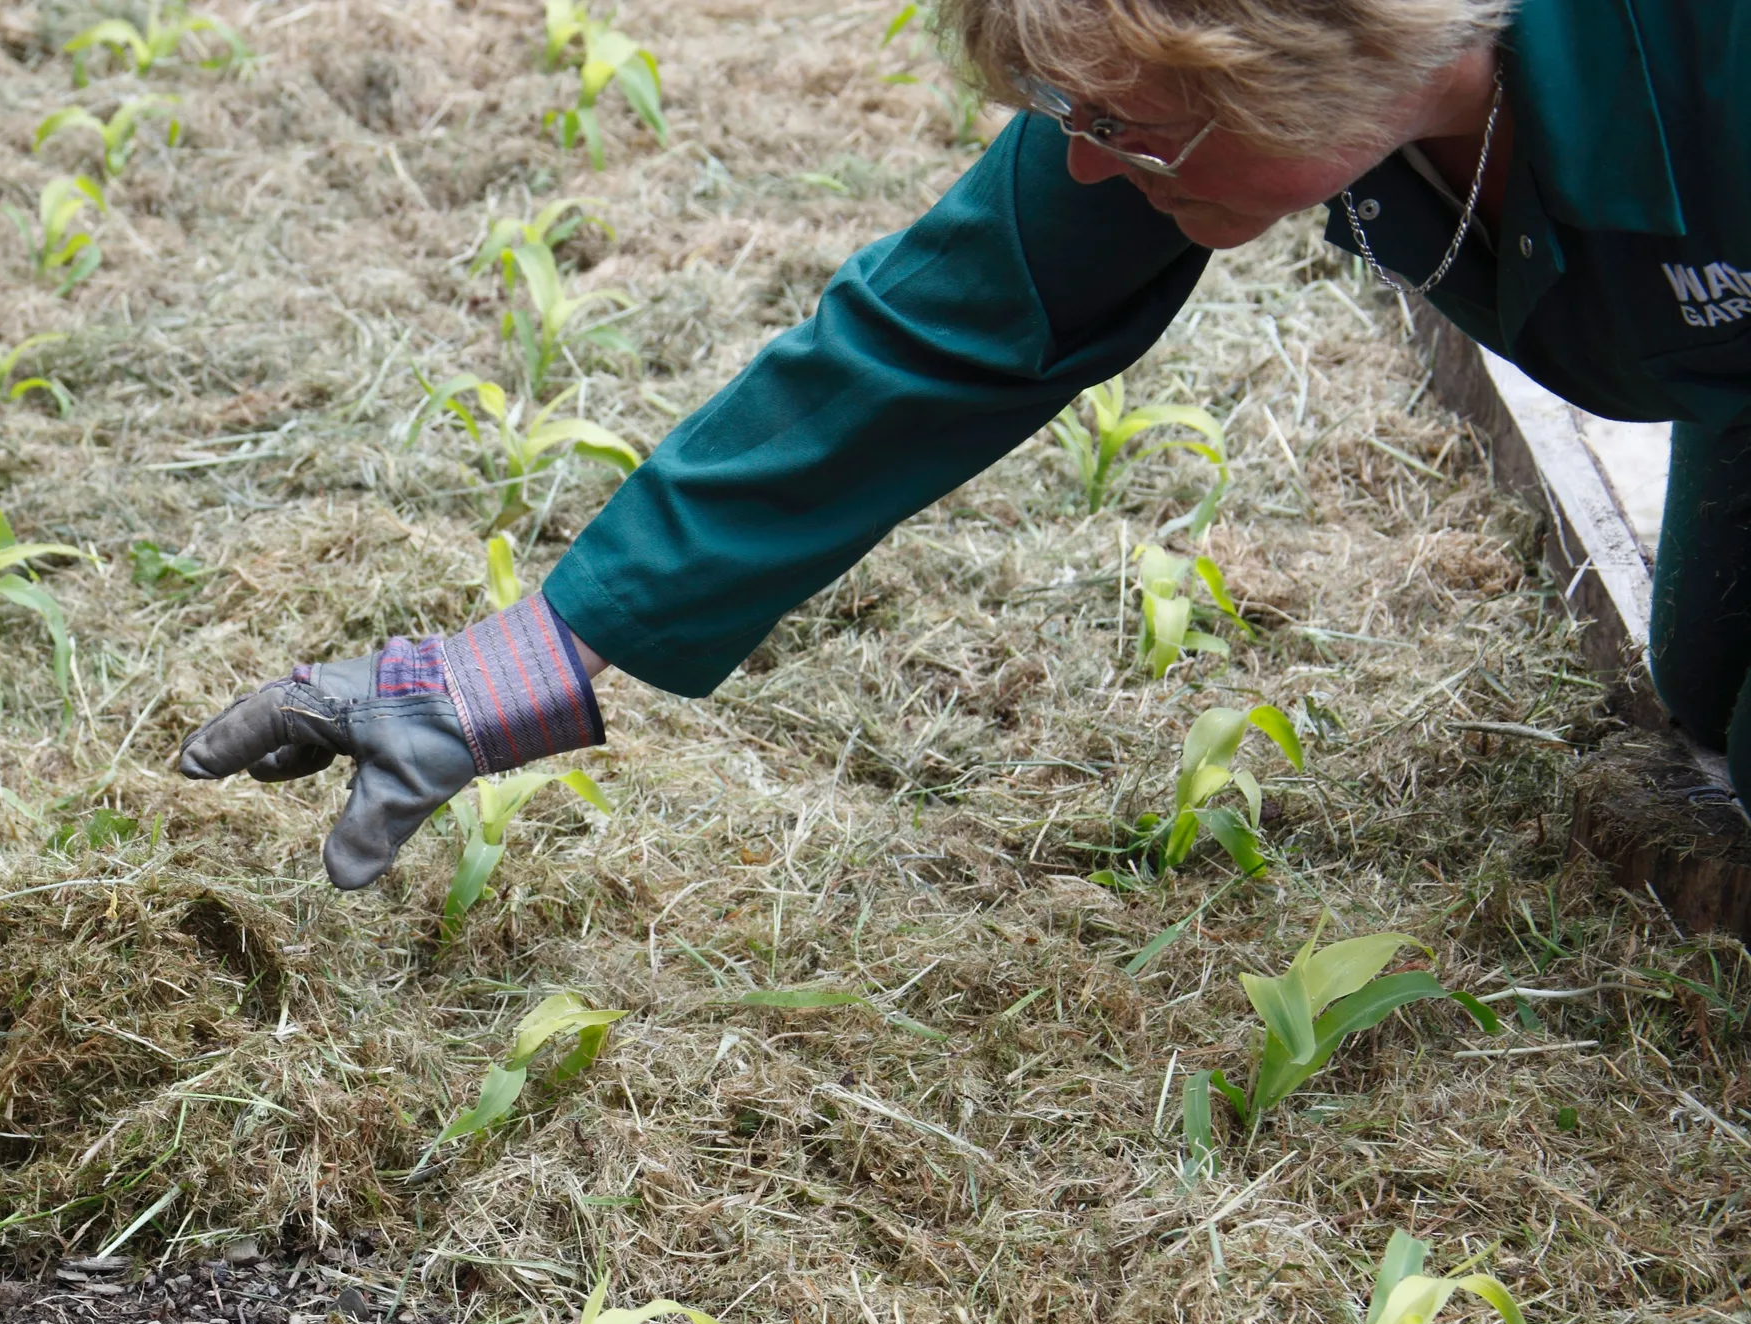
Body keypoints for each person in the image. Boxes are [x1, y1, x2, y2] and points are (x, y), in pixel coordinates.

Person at [178, 0, 1751, 914]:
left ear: (1307, 74)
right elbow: (933, 335)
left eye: (1123, 132)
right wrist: (496, 674)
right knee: (1702, 697)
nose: (1086, 158)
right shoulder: (1212, 84)